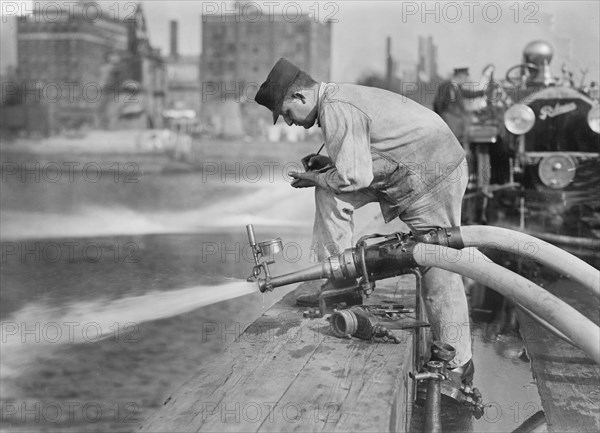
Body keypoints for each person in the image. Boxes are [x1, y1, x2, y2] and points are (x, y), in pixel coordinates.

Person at [254, 58, 473, 382]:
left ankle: (457, 364)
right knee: (331, 193)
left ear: (300, 97)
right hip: (406, 168)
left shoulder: (336, 108)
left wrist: (317, 177)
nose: (289, 122)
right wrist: (329, 166)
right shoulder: (337, 101)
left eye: (287, 114)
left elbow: (354, 177)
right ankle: (340, 286)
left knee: (436, 259)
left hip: (433, 172)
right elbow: (364, 160)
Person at [433, 66, 494, 143]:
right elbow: (437, 103)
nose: (466, 80)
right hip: (449, 118)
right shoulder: (446, 85)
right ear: (460, 76)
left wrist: (483, 92)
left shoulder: (457, 87)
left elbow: (468, 94)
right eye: (465, 77)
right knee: (451, 140)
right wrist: (439, 118)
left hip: (457, 118)